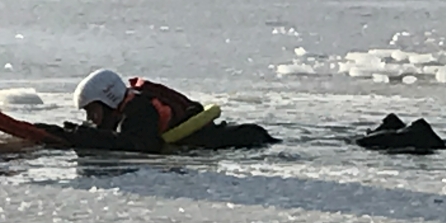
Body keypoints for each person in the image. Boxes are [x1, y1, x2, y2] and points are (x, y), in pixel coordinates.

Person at [35, 69, 278, 153]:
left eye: (93, 113)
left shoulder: (139, 110)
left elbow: (139, 145)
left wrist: (81, 137)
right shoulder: (125, 108)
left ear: (109, 101)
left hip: (244, 139)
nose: (91, 120)